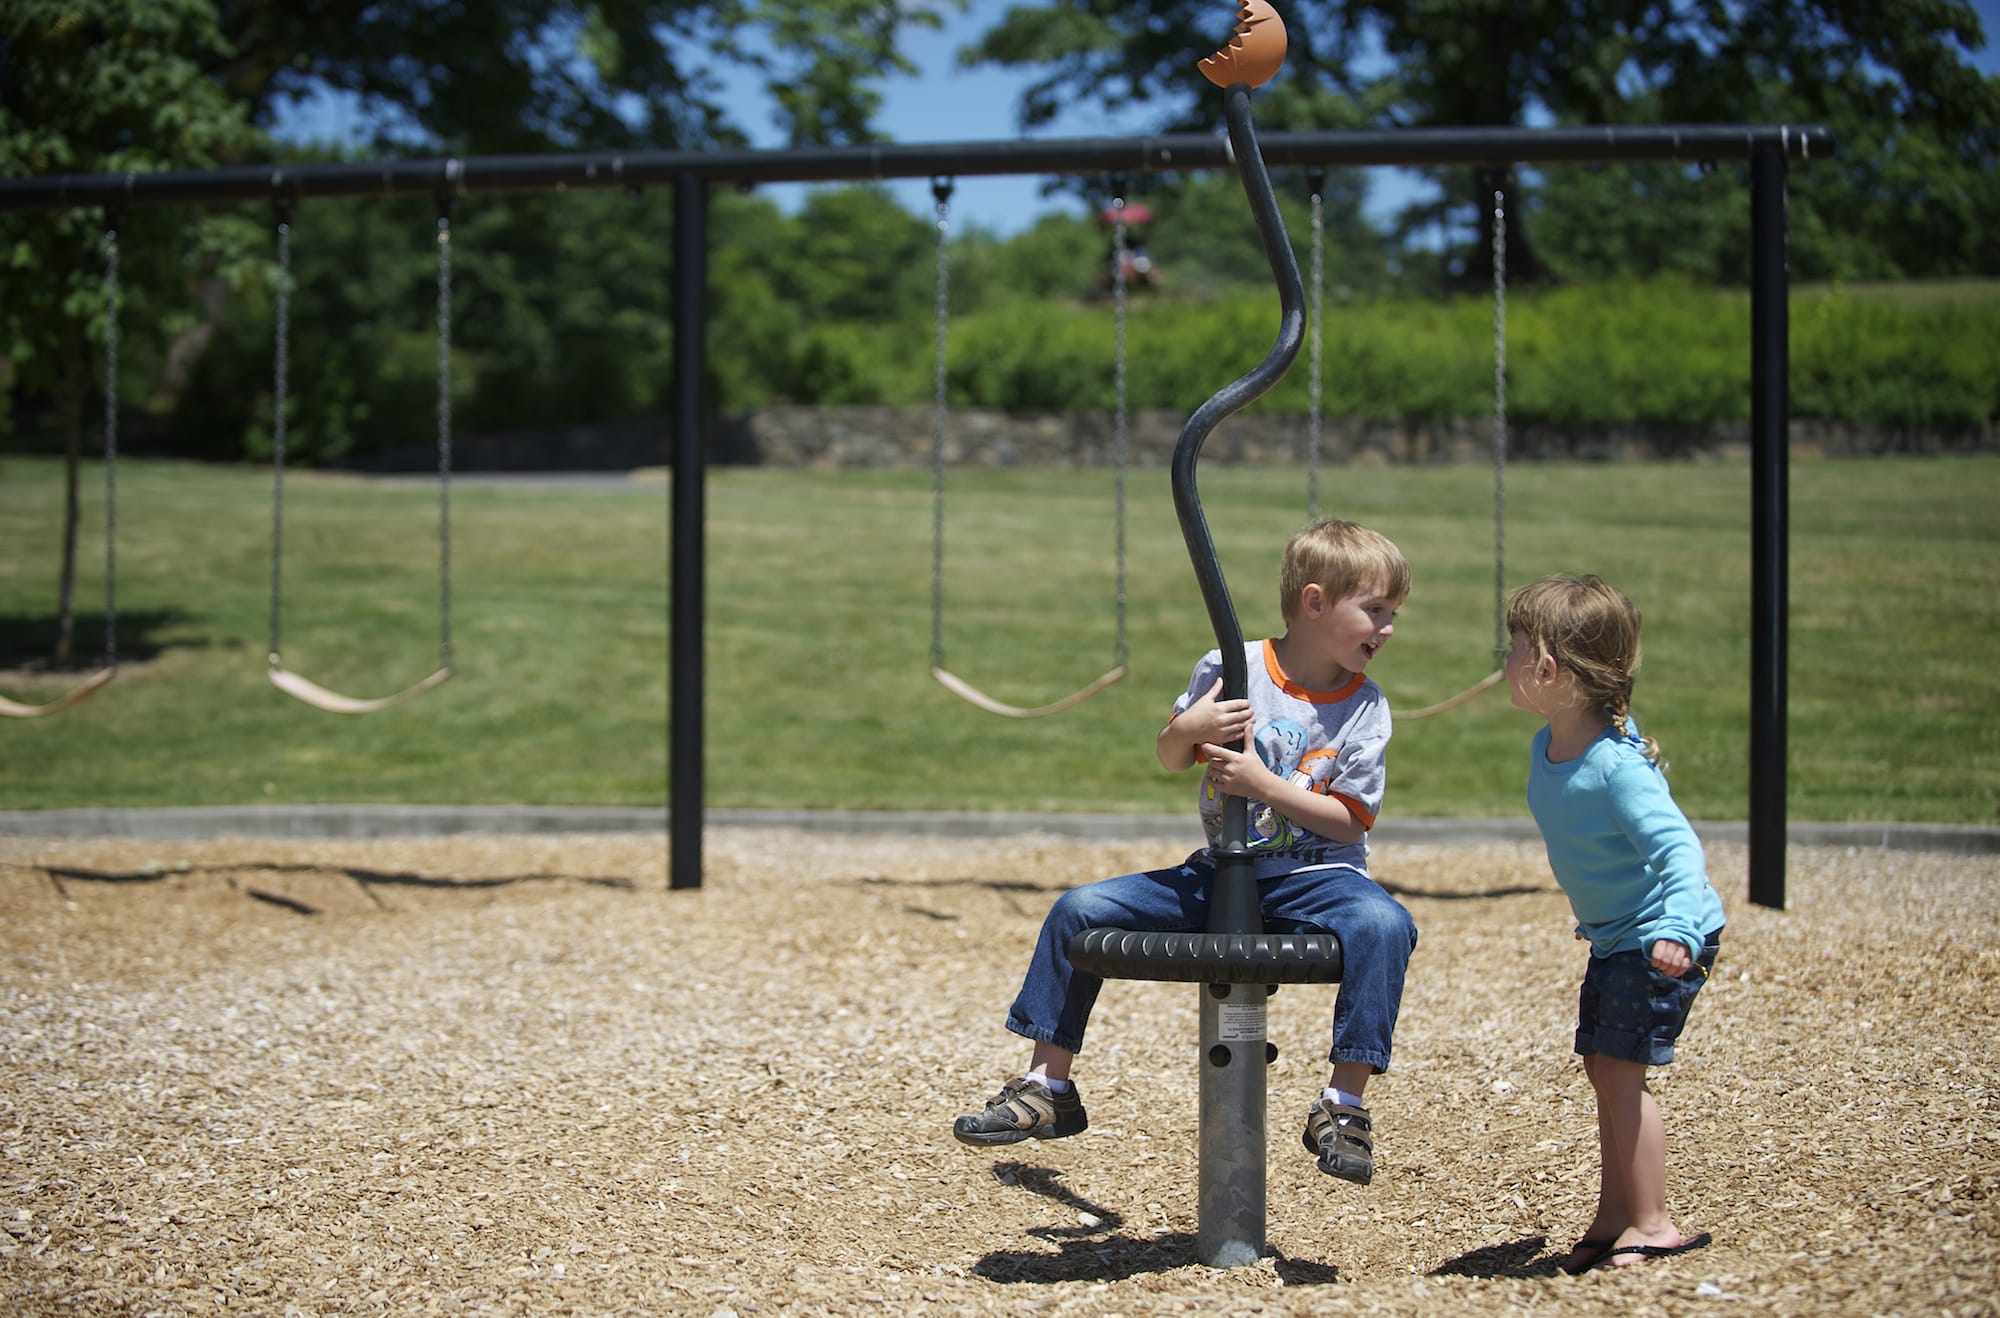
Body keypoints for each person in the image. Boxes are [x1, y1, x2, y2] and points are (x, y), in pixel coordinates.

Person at [952, 519, 1420, 1187]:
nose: (1388, 627)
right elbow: (1173, 756)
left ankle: (1343, 1105)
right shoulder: (1234, 667)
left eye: (1392, 613)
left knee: (1385, 925)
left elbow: (1349, 822)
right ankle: (1045, 1084)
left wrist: (1264, 786)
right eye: (1376, 610)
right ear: (1315, 602)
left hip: (1319, 878)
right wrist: (1188, 729)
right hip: (1218, 873)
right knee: (1078, 910)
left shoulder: (1366, 708)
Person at [1501, 574, 1726, 1273]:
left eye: (1512, 650)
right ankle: (1616, 1213)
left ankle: (1655, 1221)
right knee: (1605, 1070)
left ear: (1550, 669)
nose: (1503, 664)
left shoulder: (1616, 768)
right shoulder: (1550, 746)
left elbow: (1680, 852)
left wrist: (1680, 933)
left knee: (1622, 1075)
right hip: (1616, 937)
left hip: (1660, 937)